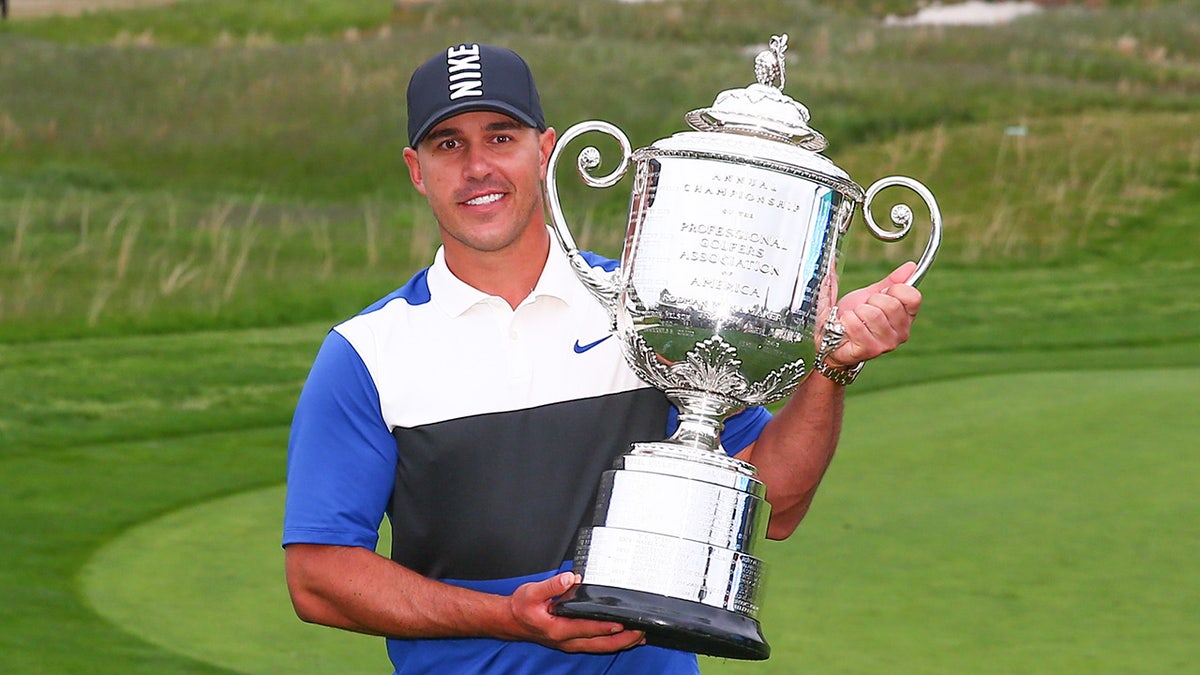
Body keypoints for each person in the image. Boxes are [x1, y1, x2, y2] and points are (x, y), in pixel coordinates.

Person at [283, 42, 922, 674]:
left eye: (501, 137)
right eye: (448, 144)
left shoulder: (652, 310)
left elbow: (776, 504)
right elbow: (318, 577)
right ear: (416, 169)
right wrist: (505, 616)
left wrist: (831, 369)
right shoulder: (366, 354)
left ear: (546, 150)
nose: (477, 166)